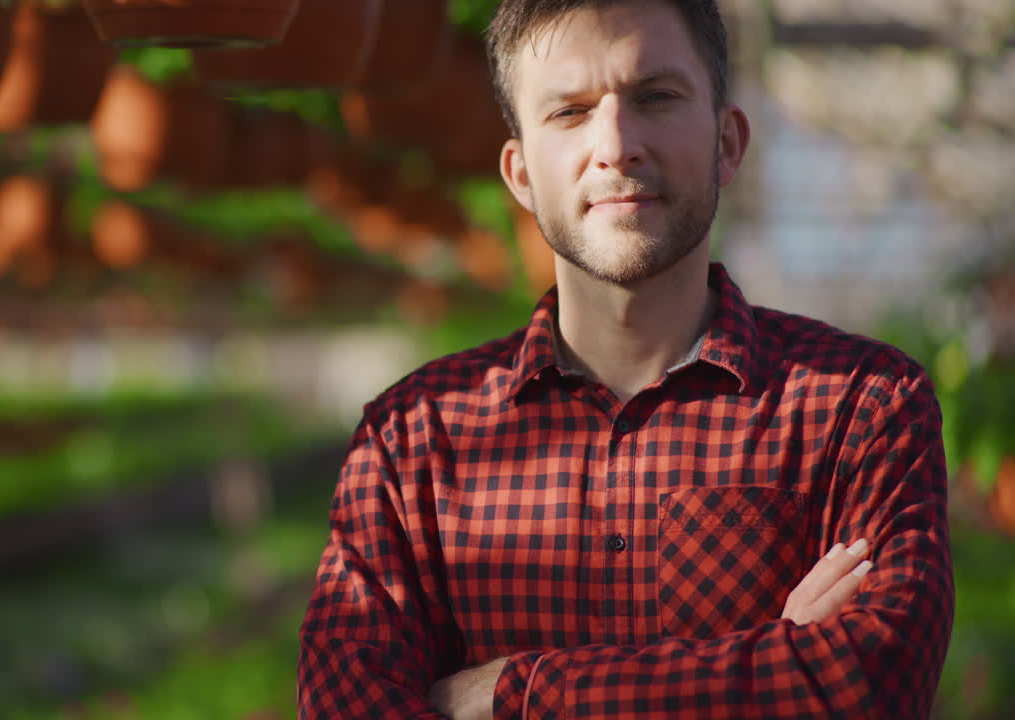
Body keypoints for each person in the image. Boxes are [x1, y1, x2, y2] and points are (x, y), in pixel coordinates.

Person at [296, 1, 954, 718]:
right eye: (570, 112)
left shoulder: (861, 406)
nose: (615, 143)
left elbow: (868, 686)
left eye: (656, 97)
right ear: (519, 174)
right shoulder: (412, 441)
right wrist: (773, 662)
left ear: (727, 143)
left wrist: (506, 692)